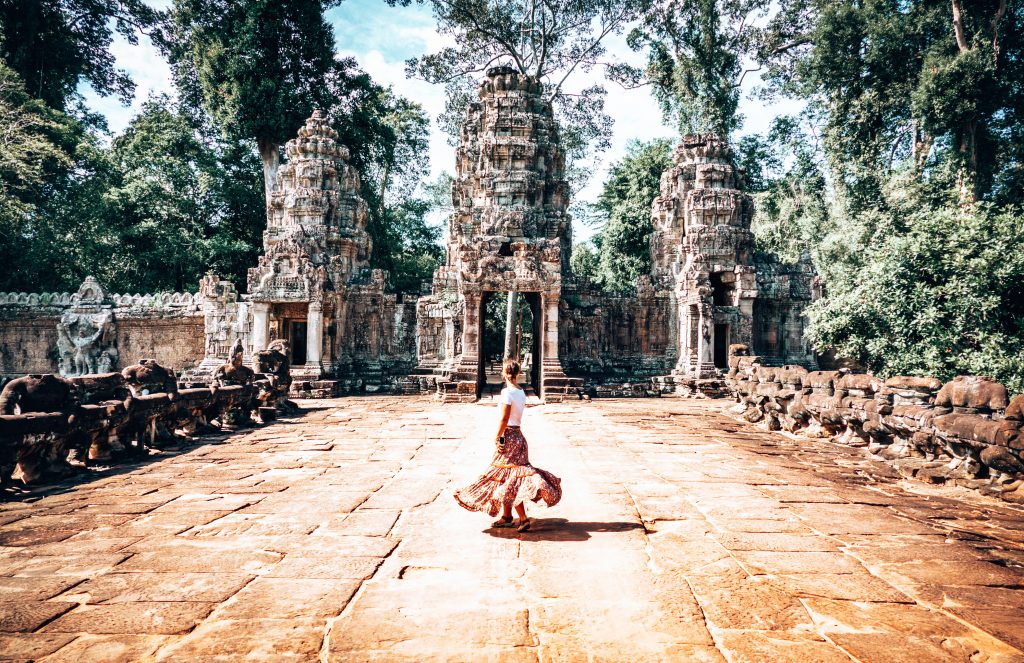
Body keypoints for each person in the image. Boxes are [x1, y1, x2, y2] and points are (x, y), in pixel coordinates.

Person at [454, 358, 562, 532]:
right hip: (519, 436)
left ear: (504, 373)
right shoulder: (520, 392)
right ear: (518, 373)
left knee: (511, 478)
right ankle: (507, 516)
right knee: (508, 477)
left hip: (509, 437)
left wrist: (498, 436)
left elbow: (504, 418)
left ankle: (523, 518)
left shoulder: (507, 393)